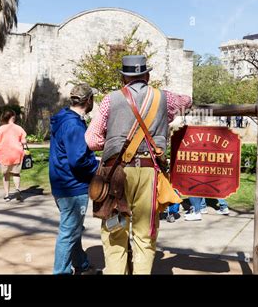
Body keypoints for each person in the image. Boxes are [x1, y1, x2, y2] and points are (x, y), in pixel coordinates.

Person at [85, 55, 192, 274]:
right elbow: (187, 101)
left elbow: (91, 140)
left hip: (115, 173)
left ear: (124, 78)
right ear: (147, 75)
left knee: (115, 232)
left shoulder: (109, 99)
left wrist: (115, 141)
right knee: (145, 235)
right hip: (149, 172)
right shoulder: (164, 98)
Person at [49, 83, 99, 275]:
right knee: (69, 231)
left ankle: (81, 263)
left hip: (61, 183)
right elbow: (78, 160)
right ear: (88, 101)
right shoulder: (73, 124)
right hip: (72, 186)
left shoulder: (64, 118)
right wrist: (96, 166)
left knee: (73, 227)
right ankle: (60, 271)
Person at [0, 109, 27, 202]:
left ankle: (7, 195)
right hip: (17, 154)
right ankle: (17, 189)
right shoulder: (19, 128)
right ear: (13, 117)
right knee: (16, 173)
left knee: (6, 175)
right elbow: (24, 142)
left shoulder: (0, 129)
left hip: (4, 155)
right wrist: (26, 150)